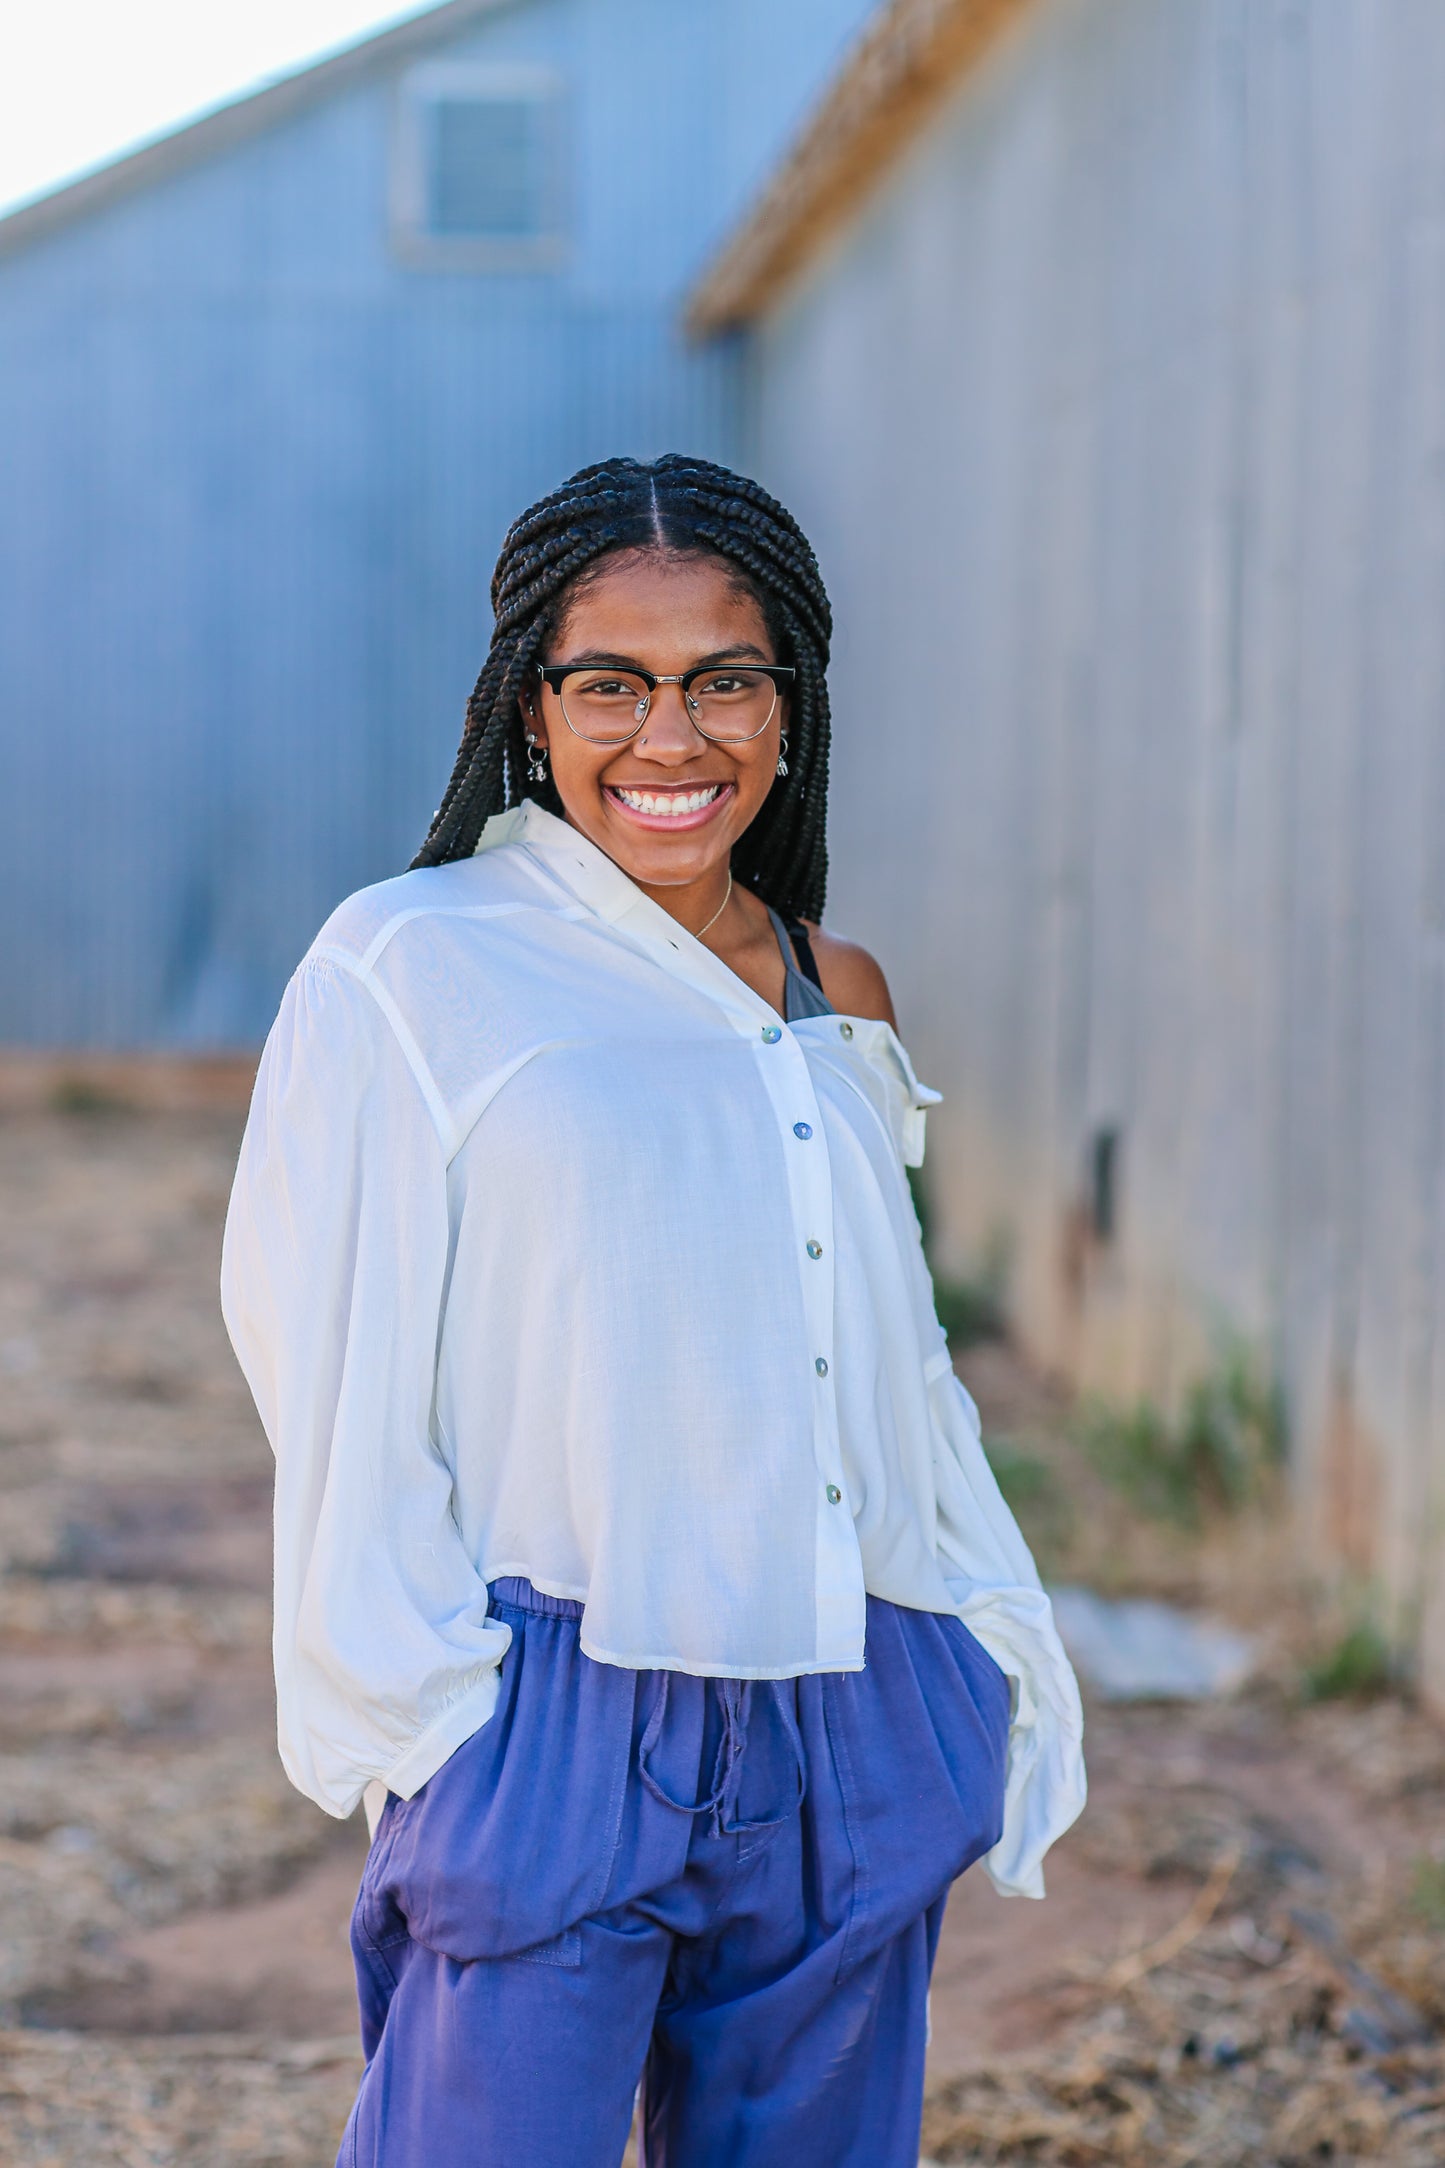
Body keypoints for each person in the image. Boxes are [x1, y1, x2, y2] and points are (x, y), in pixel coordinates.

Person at [221, 453, 1085, 2168]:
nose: (669, 739)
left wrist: (975, 1647)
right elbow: (321, 1354)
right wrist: (436, 1722)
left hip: (853, 1692)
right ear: (526, 711)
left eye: (724, 682)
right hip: (555, 1703)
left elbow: (886, 1368)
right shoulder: (412, 965)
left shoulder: (837, 989)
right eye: (607, 682)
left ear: (789, 705)